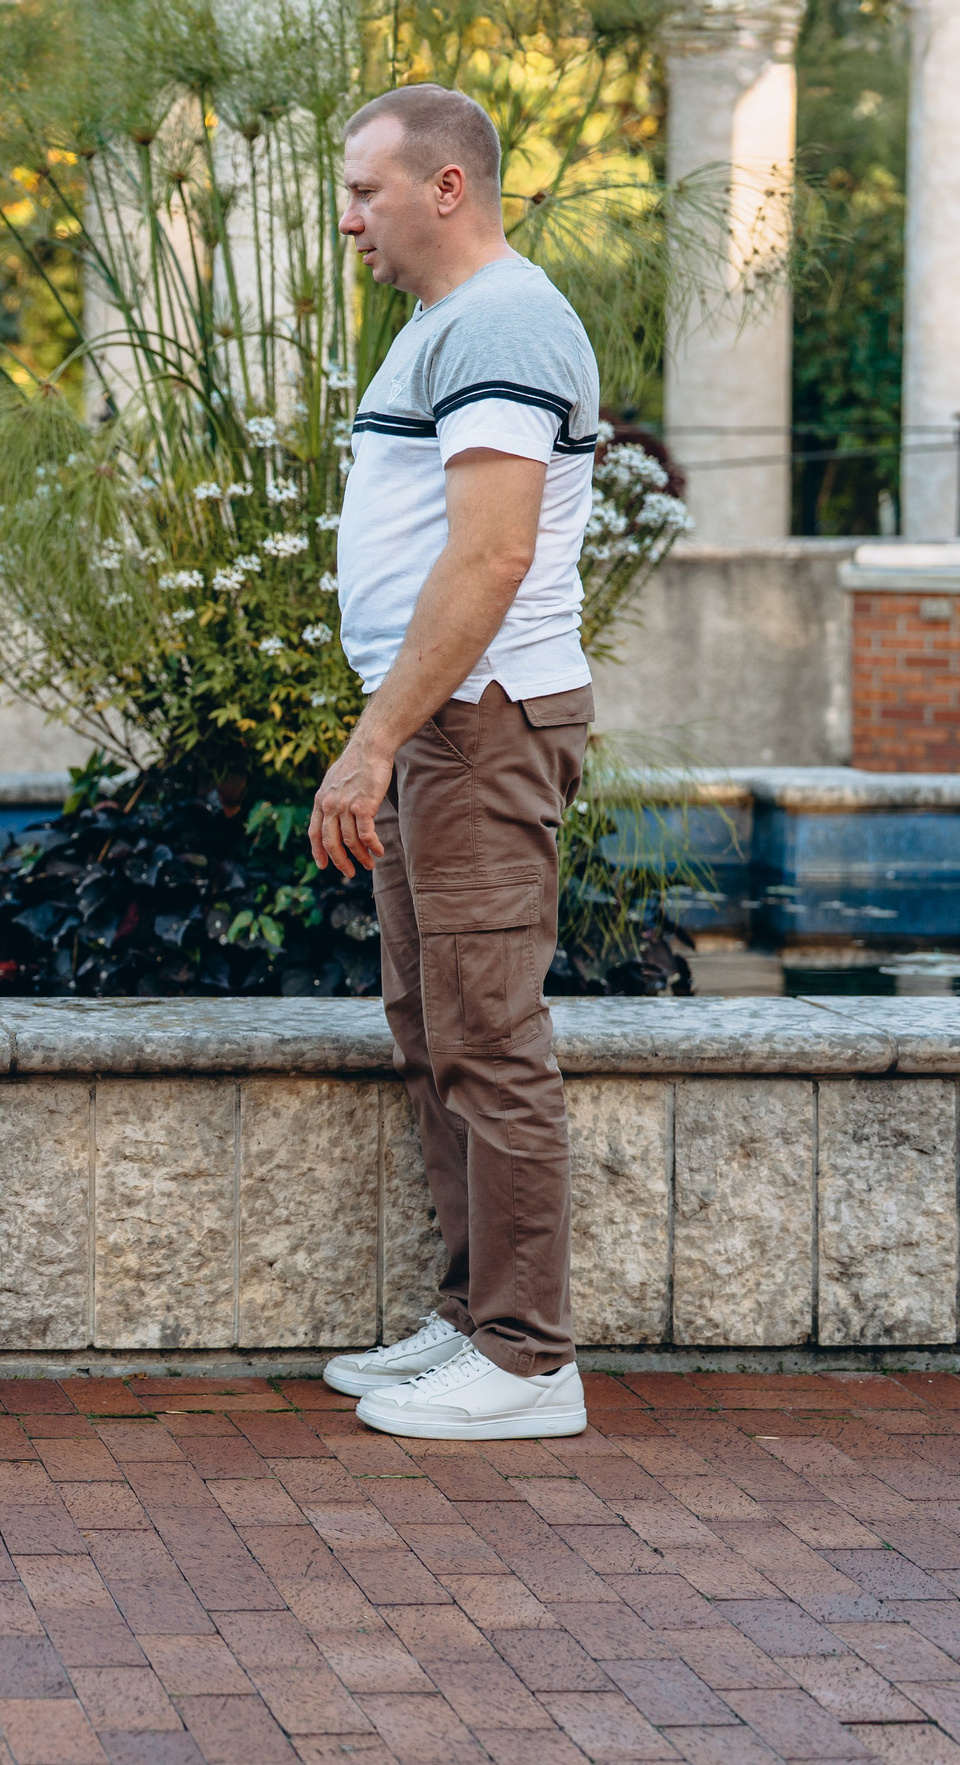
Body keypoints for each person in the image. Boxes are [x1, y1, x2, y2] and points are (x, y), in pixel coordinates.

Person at [306, 85, 598, 1442]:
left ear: (446, 188)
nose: (347, 218)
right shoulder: (449, 325)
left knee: (487, 1034)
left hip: (481, 725)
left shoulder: (503, 321)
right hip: (443, 725)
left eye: (364, 190)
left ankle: (529, 1362)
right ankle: (474, 1316)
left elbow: (492, 555)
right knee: (435, 1030)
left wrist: (371, 745)